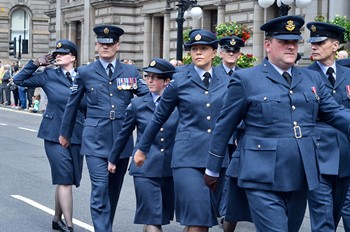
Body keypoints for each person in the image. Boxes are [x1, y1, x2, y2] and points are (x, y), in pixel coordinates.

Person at [203, 15, 350, 232]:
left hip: (301, 173)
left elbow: (336, 113)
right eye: (283, 42)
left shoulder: (311, 79)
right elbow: (224, 126)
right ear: (268, 45)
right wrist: (213, 168)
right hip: (261, 174)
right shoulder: (247, 79)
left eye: (294, 42)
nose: (290, 47)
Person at [133, 29, 230, 232]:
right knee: (199, 221)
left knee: (202, 219)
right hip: (187, 158)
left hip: (218, 158)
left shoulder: (228, 80)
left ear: (214, 52)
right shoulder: (179, 80)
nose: (198, 53)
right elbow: (159, 116)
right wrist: (142, 149)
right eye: (194, 49)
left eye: (204, 48)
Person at [59, 25, 148, 232]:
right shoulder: (85, 72)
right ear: (96, 46)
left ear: (117, 45)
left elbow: (146, 95)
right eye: (101, 44)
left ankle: (105, 226)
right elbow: (72, 104)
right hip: (94, 139)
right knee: (100, 188)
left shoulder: (130, 71)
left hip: (122, 139)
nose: (105, 47)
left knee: (113, 191)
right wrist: (65, 133)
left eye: (110, 44)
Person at [14, 39, 85, 232]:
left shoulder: (83, 76)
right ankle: (69, 225)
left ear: (73, 57)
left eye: (63, 53)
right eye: (56, 53)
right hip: (54, 134)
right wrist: (35, 63)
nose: (58, 56)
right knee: (64, 179)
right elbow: (19, 81)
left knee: (69, 178)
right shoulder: (48, 75)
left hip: (77, 134)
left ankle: (56, 219)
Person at [108, 58, 178, 232]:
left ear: (167, 81)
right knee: (153, 219)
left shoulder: (178, 105)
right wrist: (113, 159)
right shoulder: (138, 104)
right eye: (148, 76)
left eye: (156, 77)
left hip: (169, 169)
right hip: (144, 168)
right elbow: (123, 134)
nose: (150, 80)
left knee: (155, 217)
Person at [305, 22, 350, 232]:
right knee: (323, 219)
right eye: (312, 43)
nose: (314, 47)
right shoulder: (304, 76)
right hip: (317, 155)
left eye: (320, 43)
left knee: (335, 212)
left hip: (345, 156)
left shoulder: (348, 75)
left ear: (335, 46)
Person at [215, 35, 252, 232]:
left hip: (238, 135)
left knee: (231, 176)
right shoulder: (212, 74)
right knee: (218, 175)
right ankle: (216, 209)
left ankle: (226, 211)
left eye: (235, 51)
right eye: (227, 51)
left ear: (239, 54)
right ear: (221, 53)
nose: (231, 54)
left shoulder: (246, 76)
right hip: (217, 133)